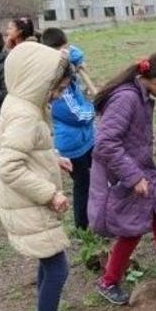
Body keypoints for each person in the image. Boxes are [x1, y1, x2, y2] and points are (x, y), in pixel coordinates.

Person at [0, 41, 87, 311]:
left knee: (49, 263)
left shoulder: (21, 105)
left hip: (22, 200)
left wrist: (52, 159)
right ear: (37, 81)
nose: (58, 95)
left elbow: (21, 151)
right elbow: (9, 166)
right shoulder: (26, 117)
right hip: (28, 201)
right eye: (56, 88)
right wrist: (50, 193)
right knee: (57, 266)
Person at [88, 52, 156, 305]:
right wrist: (133, 177)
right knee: (132, 229)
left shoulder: (140, 95)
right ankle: (108, 281)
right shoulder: (127, 98)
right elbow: (106, 144)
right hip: (125, 174)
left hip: (141, 170)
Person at [42, 28, 95, 231]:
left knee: (96, 177)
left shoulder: (64, 63)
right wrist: (95, 108)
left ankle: (98, 214)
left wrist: (71, 54)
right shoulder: (55, 85)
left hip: (87, 138)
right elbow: (76, 116)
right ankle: (83, 226)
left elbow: (74, 51)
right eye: (62, 49)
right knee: (83, 184)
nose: (67, 51)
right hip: (72, 146)